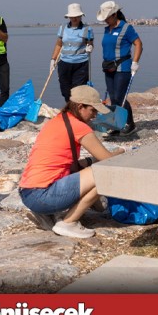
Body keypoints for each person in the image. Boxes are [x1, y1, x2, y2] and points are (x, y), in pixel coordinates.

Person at [18, 85, 127, 239]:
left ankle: (48, 214)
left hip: (27, 193)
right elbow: (107, 160)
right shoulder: (79, 127)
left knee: (90, 173)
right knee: (104, 173)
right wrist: (120, 152)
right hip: (42, 195)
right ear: (80, 107)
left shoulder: (58, 120)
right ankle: (68, 222)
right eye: (93, 110)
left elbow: (70, 162)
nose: (95, 116)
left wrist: (91, 161)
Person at [97, 0, 143, 136]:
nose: (105, 20)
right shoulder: (107, 29)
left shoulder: (126, 28)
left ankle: (130, 124)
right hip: (109, 68)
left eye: (107, 17)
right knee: (113, 98)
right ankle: (117, 125)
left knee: (119, 96)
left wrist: (135, 62)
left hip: (123, 67)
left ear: (115, 14)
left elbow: (139, 44)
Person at [49, 3, 94, 103]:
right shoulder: (63, 28)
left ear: (81, 16)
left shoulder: (87, 29)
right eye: (72, 17)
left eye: (76, 16)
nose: (74, 19)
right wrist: (53, 59)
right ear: (68, 17)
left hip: (81, 64)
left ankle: (76, 111)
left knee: (78, 91)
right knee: (65, 90)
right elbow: (58, 45)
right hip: (64, 63)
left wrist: (90, 47)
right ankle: (69, 107)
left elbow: (90, 44)